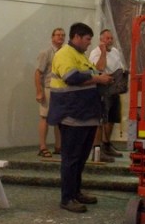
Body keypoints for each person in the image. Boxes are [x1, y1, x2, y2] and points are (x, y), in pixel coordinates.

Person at [47, 22, 113, 213]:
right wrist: (98, 79)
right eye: (86, 39)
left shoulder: (80, 56)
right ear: (76, 37)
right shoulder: (64, 54)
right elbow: (71, 77)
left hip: (86, 114)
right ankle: (67, 198)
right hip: (72, 114)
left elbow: (91, 72)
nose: (88, 43)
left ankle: (76, 192)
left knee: (81, 158)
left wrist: (102, 76)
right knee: (71, 158)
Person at [89, 28, 125, 159]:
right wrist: (103, 52)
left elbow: (119, 67)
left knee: (112, 118)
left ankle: (106, 144)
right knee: (101, 119)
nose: (110, 41)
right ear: (101, 39)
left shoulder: (115, 51)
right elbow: (98, 68)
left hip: (114, 89)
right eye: (107, 38)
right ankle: (96, 150)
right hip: (102, 89)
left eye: (111, 38)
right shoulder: (95, 52)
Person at [34, 27, 65, 158]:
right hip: (48, 88)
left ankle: (59, 146)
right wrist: (39, 91)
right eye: (58, 35)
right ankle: (42, 146)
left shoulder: (65, 52)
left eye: (63, 35)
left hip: (61, 89)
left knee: (59, 119)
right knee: (45, 118)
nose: (60, 37)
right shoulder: (46, 52)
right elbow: (38, 73)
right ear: (52, 37)